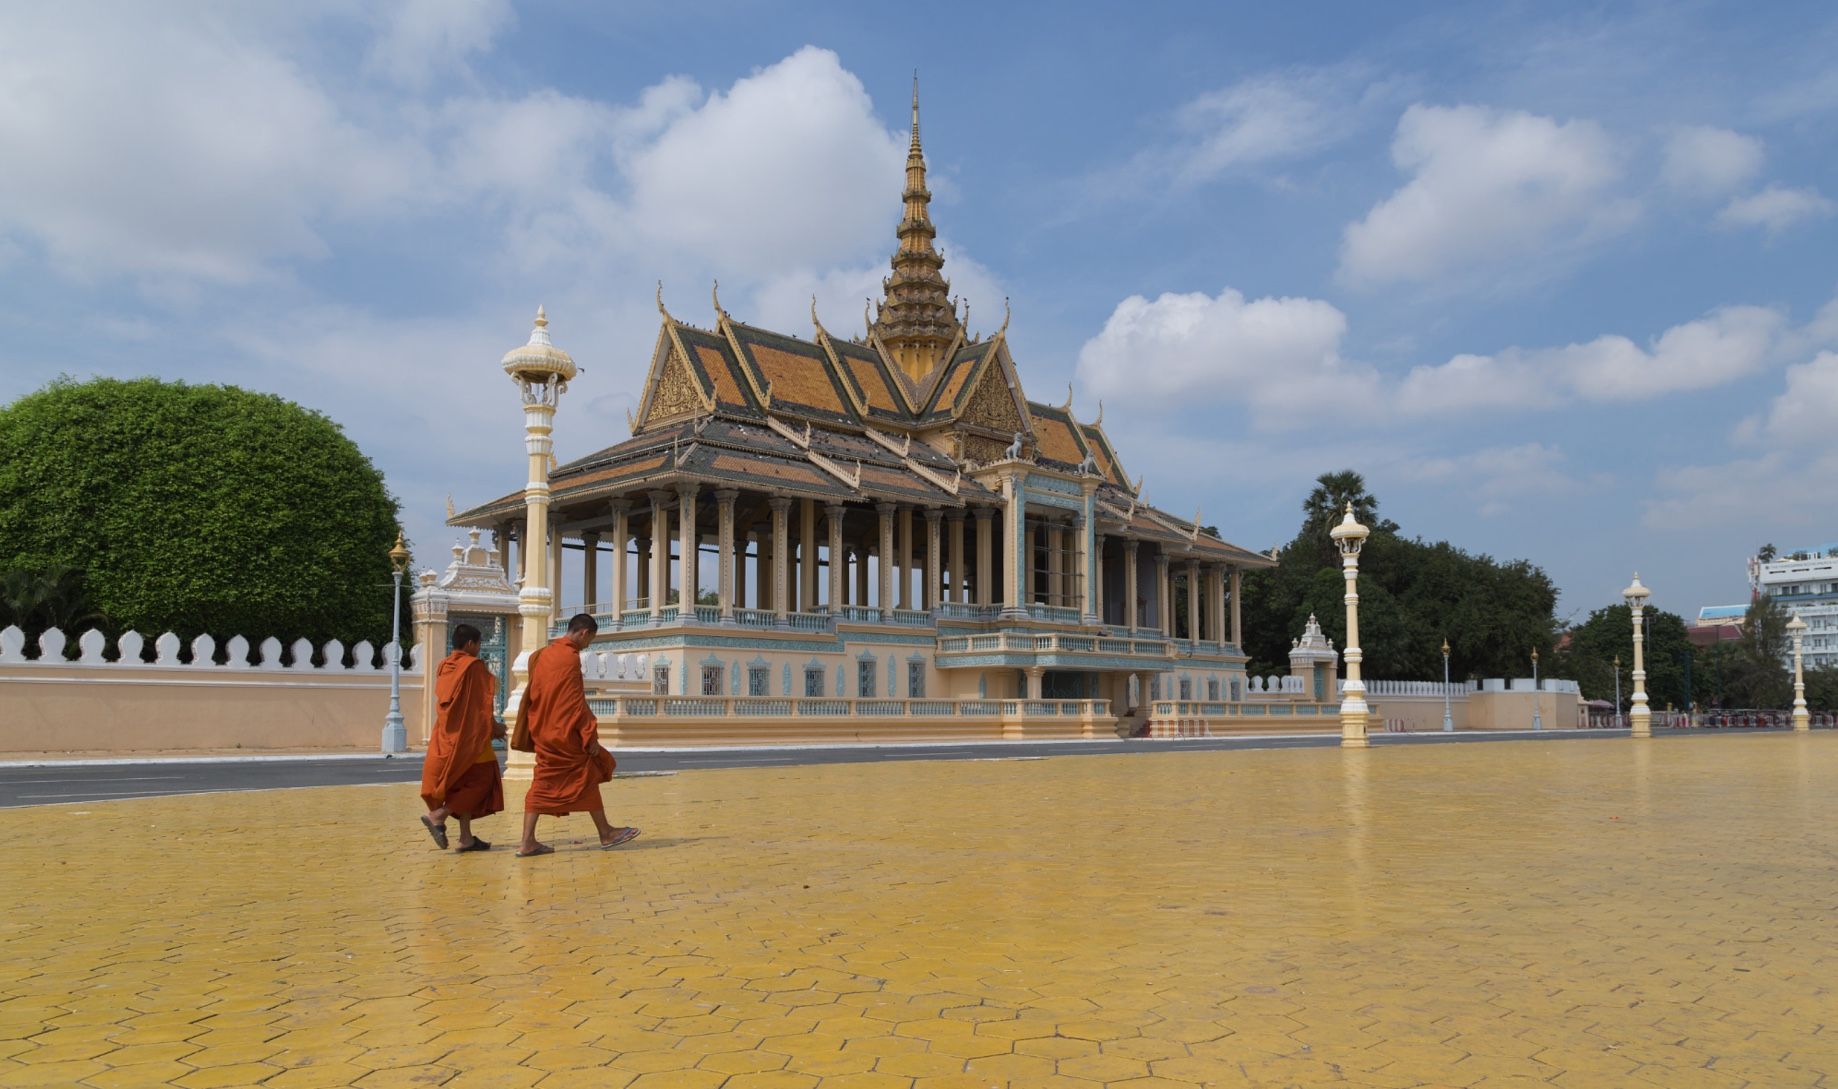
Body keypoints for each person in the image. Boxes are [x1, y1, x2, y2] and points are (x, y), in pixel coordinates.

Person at [517, 613, 640, 857]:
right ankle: (606, 833)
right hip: (565, 735)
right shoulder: (569, 658)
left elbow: (536, 694)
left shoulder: (540, 655)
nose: (588, 646)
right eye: (590, 640)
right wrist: (589, 735)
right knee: (588, 773)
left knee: (543, 783)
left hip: (543, 730)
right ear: (584, 633)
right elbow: (574, 702)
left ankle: (527, 841)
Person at [419, 623, 506, 852]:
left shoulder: (444, 666)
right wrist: (495, 727)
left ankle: (466, 838)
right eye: (479, 644)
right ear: (470, 644)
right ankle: (439, 815)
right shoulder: (473, 666)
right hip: (471, 738)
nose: (479, 648)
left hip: (448, 734)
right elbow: (480, 706)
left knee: (462, 784)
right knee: (482, 780)